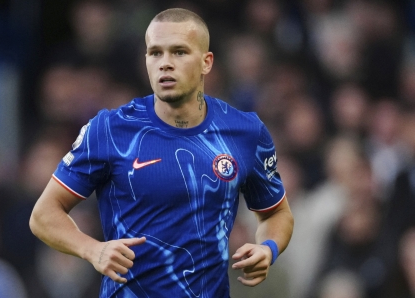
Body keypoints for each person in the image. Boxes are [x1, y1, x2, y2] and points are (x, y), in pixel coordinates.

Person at [30, 8, 294, 297]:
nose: (165, 64)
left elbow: (276, 213)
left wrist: (267, 249)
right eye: (155, 53)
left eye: (179, 52)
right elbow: (44, 214)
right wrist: (92, 249)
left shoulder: (246, 132)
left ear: (207, 62)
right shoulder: (110, 130)